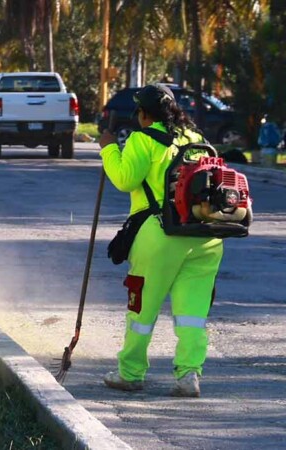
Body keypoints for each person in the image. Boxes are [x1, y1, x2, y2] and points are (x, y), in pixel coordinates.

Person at [98, 84, 223, 397]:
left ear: (143, 114)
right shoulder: (198, 140)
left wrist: (108, 148)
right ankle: (189, 374)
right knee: (193, 312)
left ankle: (130, 373)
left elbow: (124, 179)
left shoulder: (144, 139)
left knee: (142, 309)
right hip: (205, 235)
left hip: (160, 234)